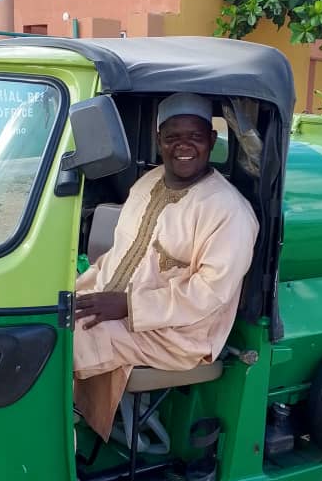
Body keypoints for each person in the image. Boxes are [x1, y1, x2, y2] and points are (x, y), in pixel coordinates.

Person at [73, 92, 259, 440]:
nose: (183, 146)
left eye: (195, 137)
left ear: (212, 141)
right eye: (173, 137)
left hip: (181, 334)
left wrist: (127, 306)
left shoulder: (228, 210)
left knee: (62, 343)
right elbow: (120, 255)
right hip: (122, 312)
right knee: (45, 318)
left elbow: (208, 294)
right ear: (159, 140)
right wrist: (81, 291)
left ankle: (51, 446)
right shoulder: (149, 183)